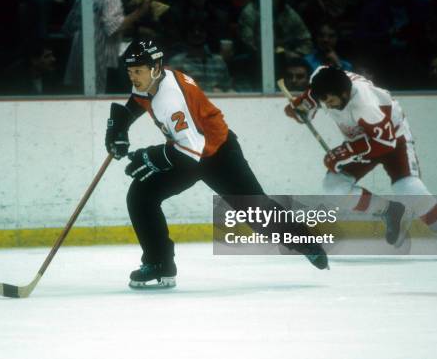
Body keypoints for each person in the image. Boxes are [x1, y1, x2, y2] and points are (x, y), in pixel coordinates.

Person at [105, 39, 329, 289]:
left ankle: (306, 241)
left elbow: (192, 152)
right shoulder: (150, 80)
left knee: (256, 213)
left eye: (138, 71)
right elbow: (137, 101)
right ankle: (159, 264)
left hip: (219, 154)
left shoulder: (173, 99)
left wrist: (152, 156)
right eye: (130, 72)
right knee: (141, 196)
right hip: (188, 150)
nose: (133, 78)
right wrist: (119, 128)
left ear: (155, 68)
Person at [284, 66, 437, 258]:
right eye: (324, 101)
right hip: (362, 140)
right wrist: (301, 108)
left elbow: (385, 142)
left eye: (331, 100)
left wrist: (344, 152)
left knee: (407, 187)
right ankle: (389, 210)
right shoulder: (326, 81)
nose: (329, 105)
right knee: (334, 187)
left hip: (393, 139)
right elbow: (312, 96)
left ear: (344, 93)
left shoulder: (365, 105)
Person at [62, 0, 149, 93]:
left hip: (77, 55)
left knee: (78, 97)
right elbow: (113, 28)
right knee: (96, 99)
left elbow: (68, 27)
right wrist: (139, 13)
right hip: (98, 58)